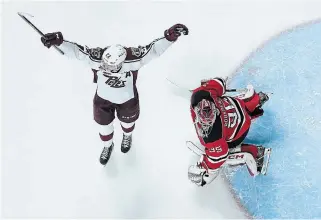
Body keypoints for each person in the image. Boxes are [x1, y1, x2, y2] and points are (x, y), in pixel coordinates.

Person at [39, 24, 189, 165]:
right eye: (106, 64)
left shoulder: (133, 57)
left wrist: (169, 36)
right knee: (104, 127)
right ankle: (107, 145)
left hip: (127, 99)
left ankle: (127, 136)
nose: (107, 68)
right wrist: (59, 42)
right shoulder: (98, 57)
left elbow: (154, 49)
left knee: (128, 123)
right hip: (103, 100)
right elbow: (78, 52)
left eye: (112, 66)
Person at [188, 77, 272, 186]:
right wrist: (216, 84)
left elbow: (219, 157)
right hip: (239, 106)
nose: (206, 125)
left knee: (221, 151)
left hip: (241, 129)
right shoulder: (204, 93)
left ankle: (255, 153)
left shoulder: (199, 95)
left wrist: (205, 166)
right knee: (230, 103)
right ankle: (255, 100)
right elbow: (220, 83)